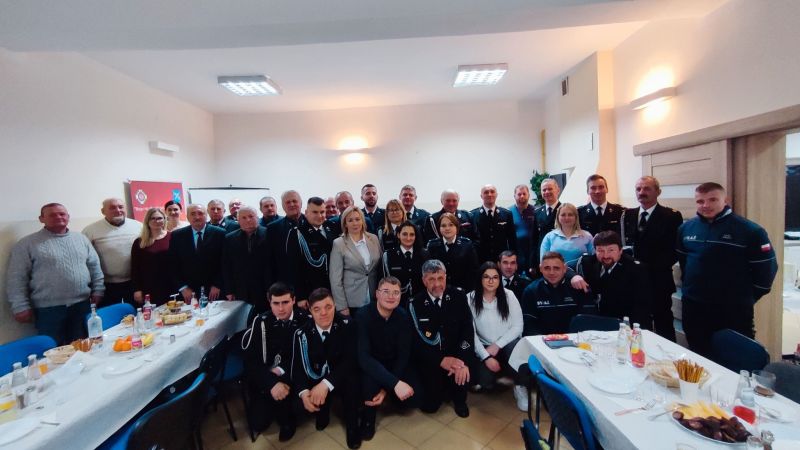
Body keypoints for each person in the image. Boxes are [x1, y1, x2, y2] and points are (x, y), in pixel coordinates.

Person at [676, 182, 778, 357]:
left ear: (725, 200)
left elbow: (766, 272)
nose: (705, 205)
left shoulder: (750, 231)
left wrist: (744, 298)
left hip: (733, 310)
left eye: (712, 200)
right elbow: (684, 263)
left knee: (734, 358)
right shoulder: (686, 228)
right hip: (694, 307)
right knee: (699, 355)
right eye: (700, 201)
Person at [6, 203, 104, 344]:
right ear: (41, 219)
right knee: (54, 351)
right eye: (52, 215)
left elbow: (94, 266)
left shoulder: (81, 239)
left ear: (68, 217)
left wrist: (98, 290)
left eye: (62, 214)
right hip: (48, 310)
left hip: (82, 305)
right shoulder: (27, 244)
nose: (58, 217)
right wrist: (20, 306)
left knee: (85, 346)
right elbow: (16, 278)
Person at [289, 288, 362, 449]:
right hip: (316, 377)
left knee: (353, 381)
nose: (323, 313)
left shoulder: (348, 325)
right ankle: (322, 410)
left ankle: (352, 426)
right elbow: (297, 368)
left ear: (335, 305)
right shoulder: (301, 332)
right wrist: (303, 393)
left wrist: (326, 384)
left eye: (328, 307)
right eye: (317, 309)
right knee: (296, 407)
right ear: (310, 310)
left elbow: (351, 360)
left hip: (341, 376)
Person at [241, 282, 310, 441]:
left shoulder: (304, 320)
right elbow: (251, 362)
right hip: (267, 377)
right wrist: (271, 383)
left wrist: (280, 372)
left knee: (299, 410)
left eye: (285, 302)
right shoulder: (261, 322)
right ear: (269, 302)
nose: (281, 308)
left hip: (293, 375)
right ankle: (275, 405)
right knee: (258, 423)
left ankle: (287, 421)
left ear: (293, 300)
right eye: (276, 303)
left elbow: (304, 358)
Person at [356, 277, 420, 441]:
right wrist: (395, 384)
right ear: (377, 294)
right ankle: (368, 420)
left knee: (414, 399)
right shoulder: (362, 315)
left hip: (393, 364)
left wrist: (387, 388)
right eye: (386, 292)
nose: (391, 296)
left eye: (396, 293)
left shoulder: (403, 315)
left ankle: (390, 396)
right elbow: (364, 357)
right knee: (369, 385)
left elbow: (403, 355)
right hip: (372, 365)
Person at [408, 259, 473, 418]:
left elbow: (467, 331)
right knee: (430, 406)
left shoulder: (458, 296)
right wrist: (440, 360)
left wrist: (462, 361)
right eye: (431, 279)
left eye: (440, 278)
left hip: (456, 356)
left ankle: (458, 398)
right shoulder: (415, 304)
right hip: (432, 359)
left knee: (460, 386)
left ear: (445, 277)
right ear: (424, 280)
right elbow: (416, 343)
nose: (437, 284)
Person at [621, 176, 683, 341]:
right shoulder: (627, 214)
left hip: (658, 279)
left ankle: (668, 354)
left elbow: (674, 250)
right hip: (633, 280)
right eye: (638, 189)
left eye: (647, 188)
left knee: (663, 322)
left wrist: (646, 268)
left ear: (658, 192)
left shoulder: (671, 216)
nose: (642, 192)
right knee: (637, 322)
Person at [466, 262, 526, 410]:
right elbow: (470, 333)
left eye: (495, 277)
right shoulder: (470, 298)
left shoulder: (509, 295)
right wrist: (485, 357)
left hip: (508, 343)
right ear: (480, 279)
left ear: (500, 279)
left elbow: (518, 326)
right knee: (485, 381)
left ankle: (520, 386)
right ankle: (500, 375)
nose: (491, 281)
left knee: (516, 349)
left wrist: (498, 345)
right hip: (485, 346)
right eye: (486, 277)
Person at [574, 231, 652, 328]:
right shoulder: (589, 263)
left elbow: (642, 306)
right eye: (600, 250)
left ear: (620, 250)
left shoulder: (636, 269)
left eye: (611, 250)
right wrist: (574, 276)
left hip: (625, 325)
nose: (606, 255)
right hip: (596, 322)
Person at [82, 197, 142, 305]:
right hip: (106, 285)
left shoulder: (138, 226)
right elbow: (86, 259)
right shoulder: (90, 230)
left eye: (121, 207)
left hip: (135, 283)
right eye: (112, 208)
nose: (118, 210)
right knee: (110, 313)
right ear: (103, 211)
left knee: (137, 312)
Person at [521, 251, 594, 336]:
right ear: (540, 268)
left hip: (575, 339)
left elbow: (587, 321)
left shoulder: (579, 289)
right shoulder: (531, 291)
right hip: (542, 340)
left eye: (556, 268)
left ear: (565, 268)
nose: (551, 272)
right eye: (547, 268)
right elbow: (529, 325)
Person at [329, 206, 381, 317]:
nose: (355, 223)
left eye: (357, 219)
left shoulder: (374, 239)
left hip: (375, 298)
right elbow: (335, 279)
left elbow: (381, 268)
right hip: (352, 301)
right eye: (350, 220)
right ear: (345, 224)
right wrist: (342, 306)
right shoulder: (339, 243)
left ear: (362, 221)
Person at [168, 204, 225, 302]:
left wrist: (217, 284)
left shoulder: (220, 233)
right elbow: (173, 264)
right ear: (187, 217)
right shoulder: (177, 236)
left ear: (206, 215)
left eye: (200, 213)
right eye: (193, 214)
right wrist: (183, 287)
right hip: (188, 292)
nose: (197, 217)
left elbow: (225, 262)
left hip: (215, 291)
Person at [290, 197, 335, 307]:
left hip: (334, 287)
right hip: (312, 290)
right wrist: (301, 296)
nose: (320, 216)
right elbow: (294, 268)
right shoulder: (297, 233)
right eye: (315, 212)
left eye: (322, 212)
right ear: (306, 213)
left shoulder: (332, 227)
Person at [223, 206, 269, 312]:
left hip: (265, 289)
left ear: (257, 218)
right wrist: (229, 290)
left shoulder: (269, 234)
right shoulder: (230, 238)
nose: (248, 220)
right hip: (240, 290)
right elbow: (226, 266)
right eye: (243, 218)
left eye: (251, 216)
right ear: (238, 221)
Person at [426, 212, 479, 292]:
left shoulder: (467, 245)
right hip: (439, 291)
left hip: (463, 291)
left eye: (451, 225)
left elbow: (473, 272)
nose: (447, 228)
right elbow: (429, 272)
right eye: (443, 225)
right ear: (439, 228)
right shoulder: (432, 246)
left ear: (456, 227)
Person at [131, 207, 173, 305]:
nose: (156, 221)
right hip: (149, 287)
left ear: (164, 219)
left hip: (171, 284)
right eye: (152, 218)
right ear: (147, 221)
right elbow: (135, 268)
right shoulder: (139, 242)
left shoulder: (173, 237)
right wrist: (137, 289)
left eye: (159, 218)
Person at [381, 221, 430, 305]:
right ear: (398, 235)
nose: (408, 238)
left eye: (412, 234)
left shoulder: (425, 254)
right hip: (397, 302)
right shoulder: (388, 255)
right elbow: (385, 282)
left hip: (421, 302)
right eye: (404, 234)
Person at [266, 190, 304, 289]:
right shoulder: (273, 228)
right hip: (285, 284)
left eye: (294, 201)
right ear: (283, 206)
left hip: (311, 283)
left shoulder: (311, 222)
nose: (292, 204)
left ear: (301, 203)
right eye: (288, 202)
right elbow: (270, 260)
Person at [471, 184, 517, 264]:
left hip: (501, 260)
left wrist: (513, 260)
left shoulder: (506, 214)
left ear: (496, 195)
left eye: (492, 192)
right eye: (486, 192)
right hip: (480, 260)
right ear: (481, 196)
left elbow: (512, 240)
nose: (489, 194)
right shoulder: (473, 215)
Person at [540, 203, 594, 268]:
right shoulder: (549, 237)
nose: (566, 218)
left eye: (570, 215)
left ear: (576, 217)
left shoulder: (587, 236)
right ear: (558, 217)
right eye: (563, 215)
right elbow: (543, 263)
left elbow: (594, 260)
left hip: (581, 273)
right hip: (554, 273)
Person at [533, 178, 562, 271]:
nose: (547, 192)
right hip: (542, 257)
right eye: (544, 190)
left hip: (559, 257)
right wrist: (532, 263)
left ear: (558, 190)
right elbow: (534, 239)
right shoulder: (537, 212)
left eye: (550, 189)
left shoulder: (564, 210)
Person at [509, 184, 538, 274]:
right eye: (519, 194)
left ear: (528, 195)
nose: (522, 196)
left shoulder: (536, 211)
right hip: (515, 252)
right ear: (514, 196)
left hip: (531, 252)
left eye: (524, 194)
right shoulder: (508, 212)